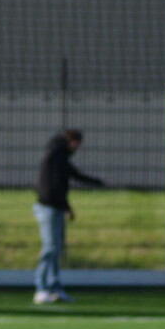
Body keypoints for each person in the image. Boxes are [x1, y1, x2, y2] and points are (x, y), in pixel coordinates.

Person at [33, 129, 103, 304]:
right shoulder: (57, 154)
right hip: (48, 207)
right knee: (49, 248)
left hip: (55, 207)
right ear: (73, 142)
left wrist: (97, 182)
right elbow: (56, 185)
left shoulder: (60, 155)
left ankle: (54, 288)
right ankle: (41, 288)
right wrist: (67, 207)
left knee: (56, 249)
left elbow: (74, 174)